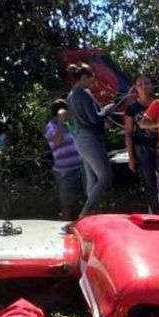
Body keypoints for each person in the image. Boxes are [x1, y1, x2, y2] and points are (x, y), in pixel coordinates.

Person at [66, 62, 118, 218]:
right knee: (105, 177)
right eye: (91, 78)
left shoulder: (71, 95)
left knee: (92, 177)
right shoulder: (84, 94)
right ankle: (85, 213)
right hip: (90, 140)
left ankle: (92, 215)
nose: (92, 81)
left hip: (80, 140)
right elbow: (94, 119)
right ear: (83, 77)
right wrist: (107, 110)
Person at [124, 74, 159, 213]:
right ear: (136, 88)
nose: (144, 86)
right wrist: (131, 157)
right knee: (149, 182)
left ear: (151, 86)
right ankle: (156, 214)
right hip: (142, 148)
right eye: (140, 84)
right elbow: (128, 133)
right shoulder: (132, 109)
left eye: (146, 83)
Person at [45, 99, 84, 220]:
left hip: (79, 167)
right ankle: (64, 224)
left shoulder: (70, 124)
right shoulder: (51, 126)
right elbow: (56, 141)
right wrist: (60, 123)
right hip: (65, 172)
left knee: (85, 200)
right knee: (67, 204)